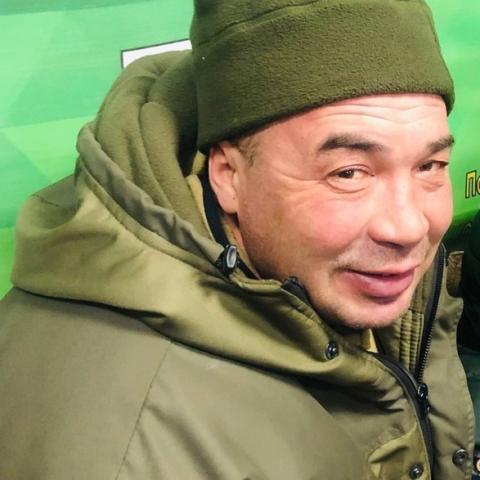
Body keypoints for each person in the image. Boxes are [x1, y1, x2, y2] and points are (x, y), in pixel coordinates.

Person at [0, 0, 479, 478]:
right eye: (348, 173)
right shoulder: (126, 450)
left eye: (429, 166)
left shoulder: (333, 274)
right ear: (227, 174)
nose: (409, 227)